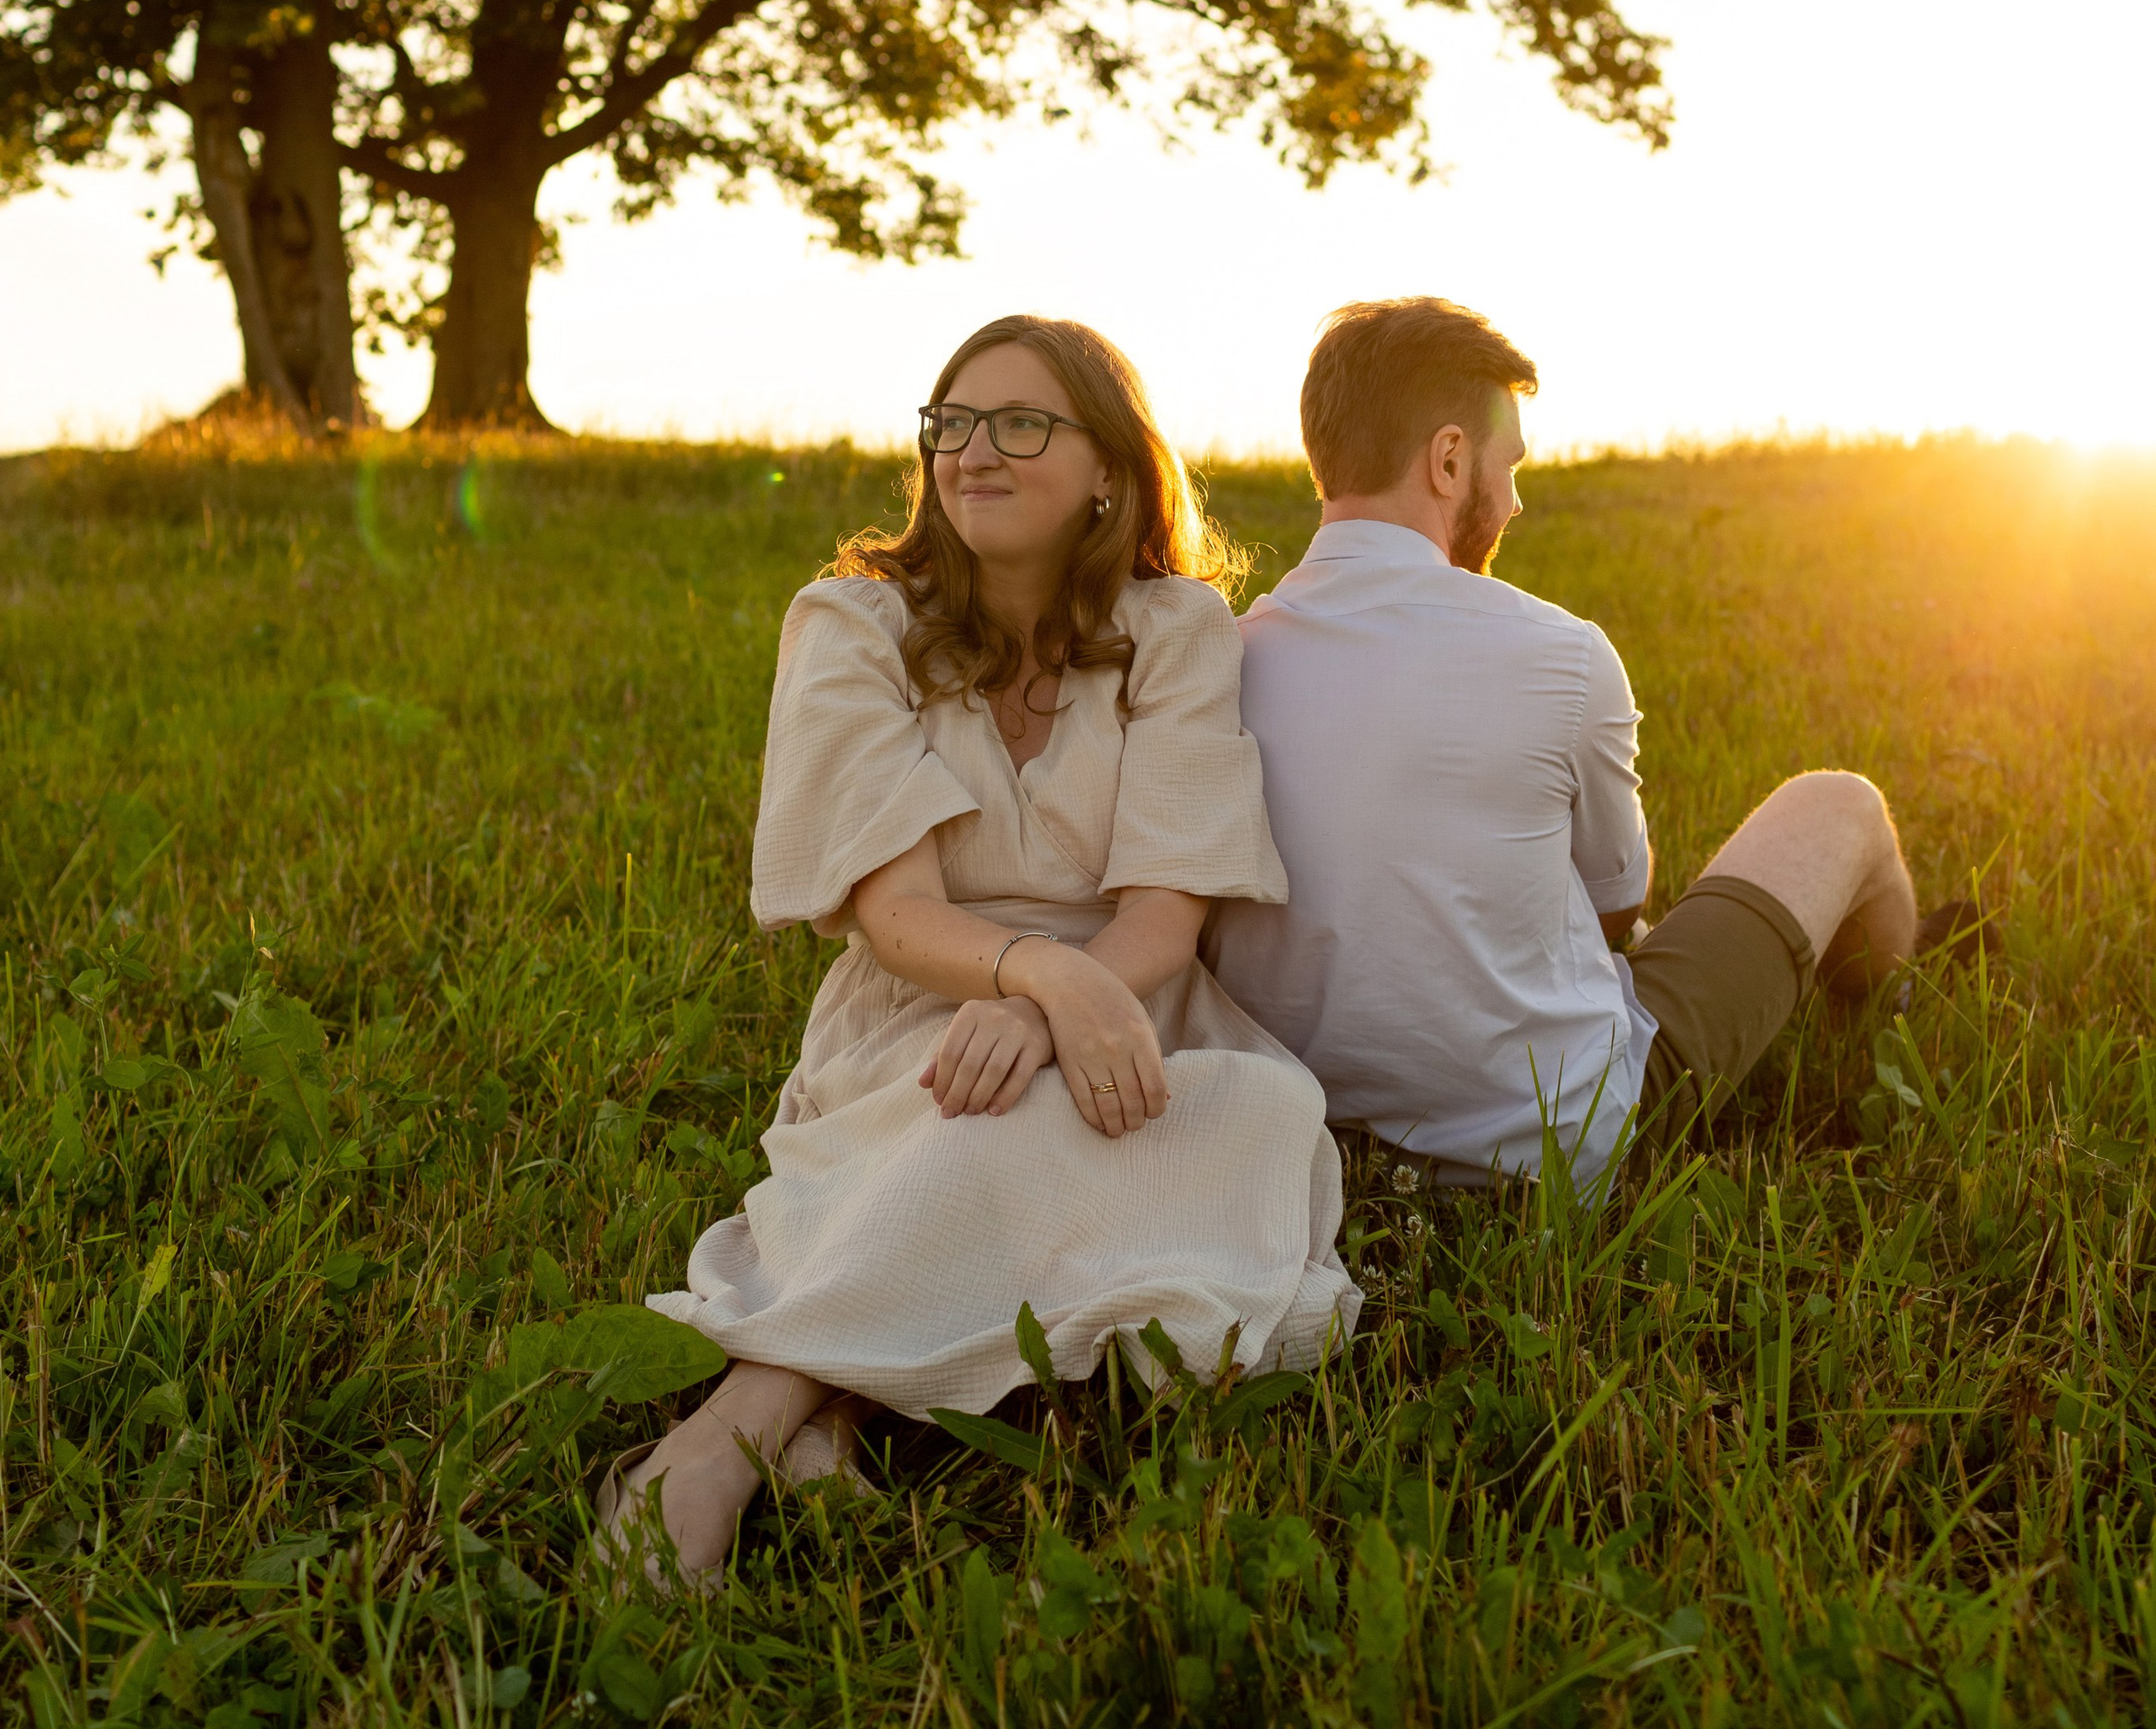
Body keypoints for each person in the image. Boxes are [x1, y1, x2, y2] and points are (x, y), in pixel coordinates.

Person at [603, 315, 1359, 1580]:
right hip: (923, 993)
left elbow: (1168, 914)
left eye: (1020, 425)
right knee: (982, 1112)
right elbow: (898, 918)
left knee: (1255, 1120)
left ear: (1110, 470)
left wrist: (1068, 991)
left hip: (1137, 996)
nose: (972, 453)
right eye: (950, 425)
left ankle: (815, 1406)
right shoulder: (853, 625)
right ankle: (726, 1437)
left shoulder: (1177, 630)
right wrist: (1026, 979)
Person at [1209, 296, 1945, 1191]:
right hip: (1552, 1145)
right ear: (1448, 459)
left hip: (1306, 1149)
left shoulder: (1220, 662)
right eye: (1508, 465)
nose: (1514, 502)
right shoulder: (1561, 654)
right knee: (1841, 805)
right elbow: (1612, 919)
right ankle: (1884, 993)